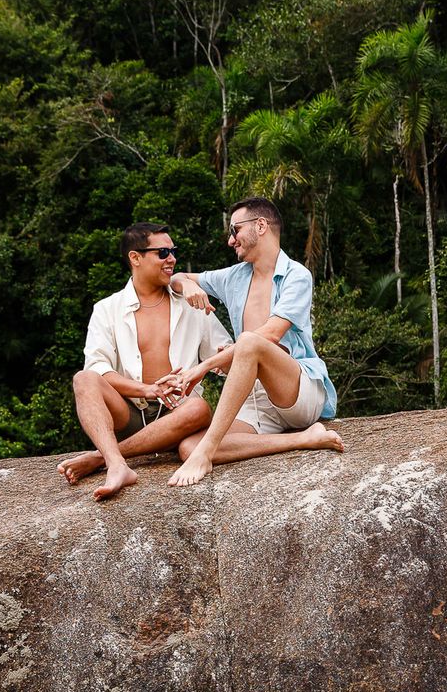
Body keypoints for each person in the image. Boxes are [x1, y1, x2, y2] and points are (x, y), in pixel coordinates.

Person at [162, 197, 343, 487]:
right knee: (187, 448)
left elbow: (268, 335)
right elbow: (177, 277)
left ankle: (206, 455)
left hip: (295, 391)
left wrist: (205, 366)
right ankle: (303, 439)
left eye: (235, 230)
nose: (230, 240)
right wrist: (189, 286)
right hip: (255, 400)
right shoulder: (234, 277)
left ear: (260, 226)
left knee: (249, 341)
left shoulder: (297, 275)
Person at [58, 222, 233, 501]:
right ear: (135, 258)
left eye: (173, 251)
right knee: (83, 378)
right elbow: (99, 368)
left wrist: (199, 372)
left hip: (177, 413)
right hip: (128, 411)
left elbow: (225, 357)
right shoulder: (107, 309)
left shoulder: (191, 302)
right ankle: (117, 465)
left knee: (199, 408)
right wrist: (147, 390)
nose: (172, 259)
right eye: (163, 252)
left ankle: (101, 457)